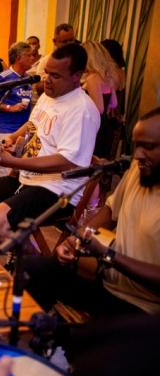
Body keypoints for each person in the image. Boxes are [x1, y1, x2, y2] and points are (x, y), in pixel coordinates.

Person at [24, 108, 160, 317]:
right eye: (137, 145)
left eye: (148, 147)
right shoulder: (138, 169)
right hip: (106, 283)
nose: (138, 155)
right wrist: (75, 240)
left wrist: (108, 254)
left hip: (143, 308)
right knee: (30, 271)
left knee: (81, 344)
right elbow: (109, 210)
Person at [0, 43, 100, 244]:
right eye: (46, 73)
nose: (46, 80)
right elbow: (33, 123)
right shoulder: (48, 96)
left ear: (77, 76)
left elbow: (67, 161)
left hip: (56, 190)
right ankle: (19, 241)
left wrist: (13, 163)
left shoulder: (82, 110)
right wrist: (13, 137)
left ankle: (28, 260)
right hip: (27, 178)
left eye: (55, 76)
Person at [0, 42, 36, 176]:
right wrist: (9, 107)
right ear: (19, 57)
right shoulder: (4, 77)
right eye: (29, 55)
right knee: (3, 172)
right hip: (6, 131)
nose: (33, 58)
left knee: (19, 173)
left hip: (24, 132)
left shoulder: (28, 78)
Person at [81, 40, 123, 159]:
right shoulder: (107, 76)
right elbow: (114, 104)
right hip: (106, 127)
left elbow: (99, 109)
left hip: (95, 129)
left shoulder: (92, 78)